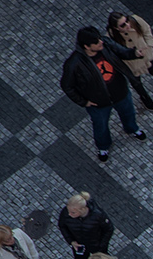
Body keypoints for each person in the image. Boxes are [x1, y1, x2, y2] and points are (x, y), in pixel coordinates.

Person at [59, 26, 145, 162]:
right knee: (101, 126)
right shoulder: (74, 64)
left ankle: (132, 129)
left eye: (100, 39)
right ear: (87, 46)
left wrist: (134, 53)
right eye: (97, 42)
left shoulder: (106, 44)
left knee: (129, 113)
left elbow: (122, 52)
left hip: (121, 93)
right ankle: (103, 146)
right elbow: (67, 86)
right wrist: (84, 102)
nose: (101, 42)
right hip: (98, 103)